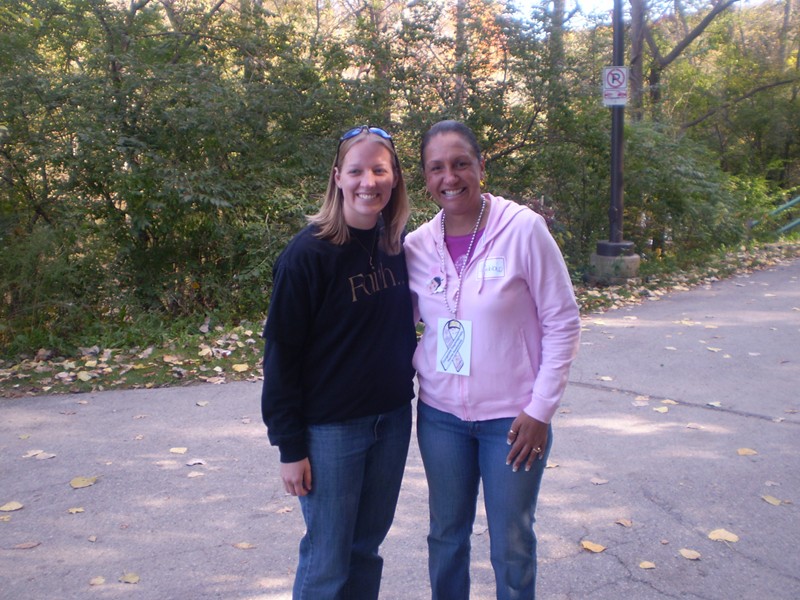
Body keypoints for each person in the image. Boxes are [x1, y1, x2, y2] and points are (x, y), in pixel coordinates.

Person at [404, 120, 581, 600]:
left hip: (514, 420)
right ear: (425, 177)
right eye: (436, 167)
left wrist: (540, 410)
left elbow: (562, 321)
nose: (450, 177)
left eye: (461, 163)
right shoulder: (418, 245)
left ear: (481, 166)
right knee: (445, 535)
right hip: (440, 418)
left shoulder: (523, 230)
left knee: (512, 541)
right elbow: (395, 326)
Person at [261, 126, 417, 599]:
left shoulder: (399, 248)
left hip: (391, 421)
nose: (368, 181)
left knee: (366, 549)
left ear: (394, 180)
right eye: (356, 170)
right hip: (331, 431)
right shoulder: (307, 255)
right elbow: (281, 355)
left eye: (379, 170)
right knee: (328, 557)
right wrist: (290, 447)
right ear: (337, 177)